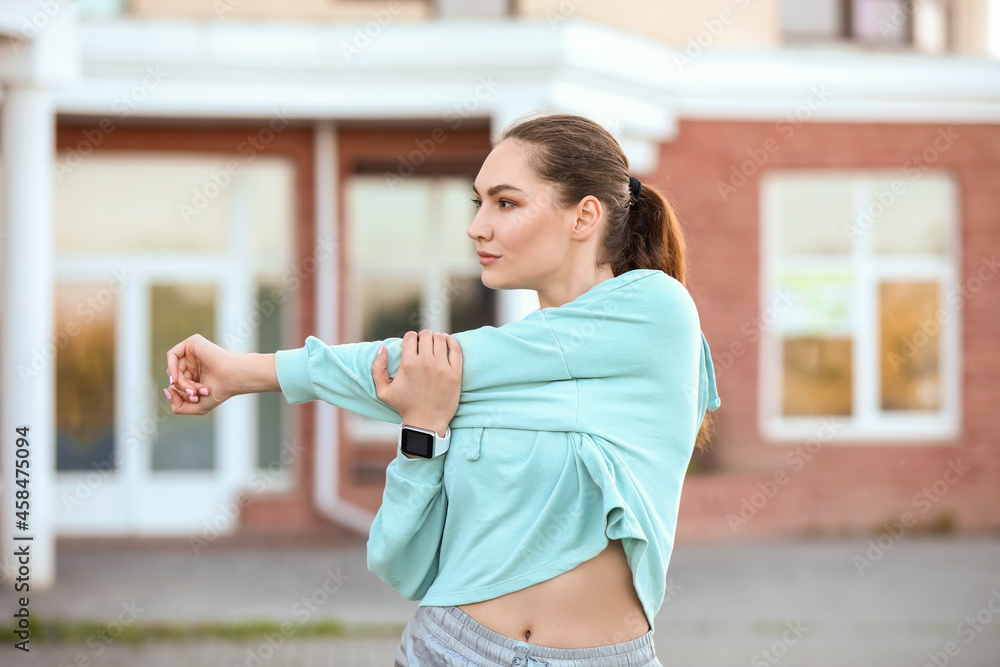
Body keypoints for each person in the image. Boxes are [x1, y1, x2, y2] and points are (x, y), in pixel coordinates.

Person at [164, 112, 721, 666]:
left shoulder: (656, 312)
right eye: (477, 203)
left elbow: (421, 365)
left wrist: (245, 372)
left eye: (505, 202)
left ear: (584, 216)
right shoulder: (479, 380)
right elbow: (401, 563)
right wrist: (422, 431)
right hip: (452, 649)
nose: (478, 226)